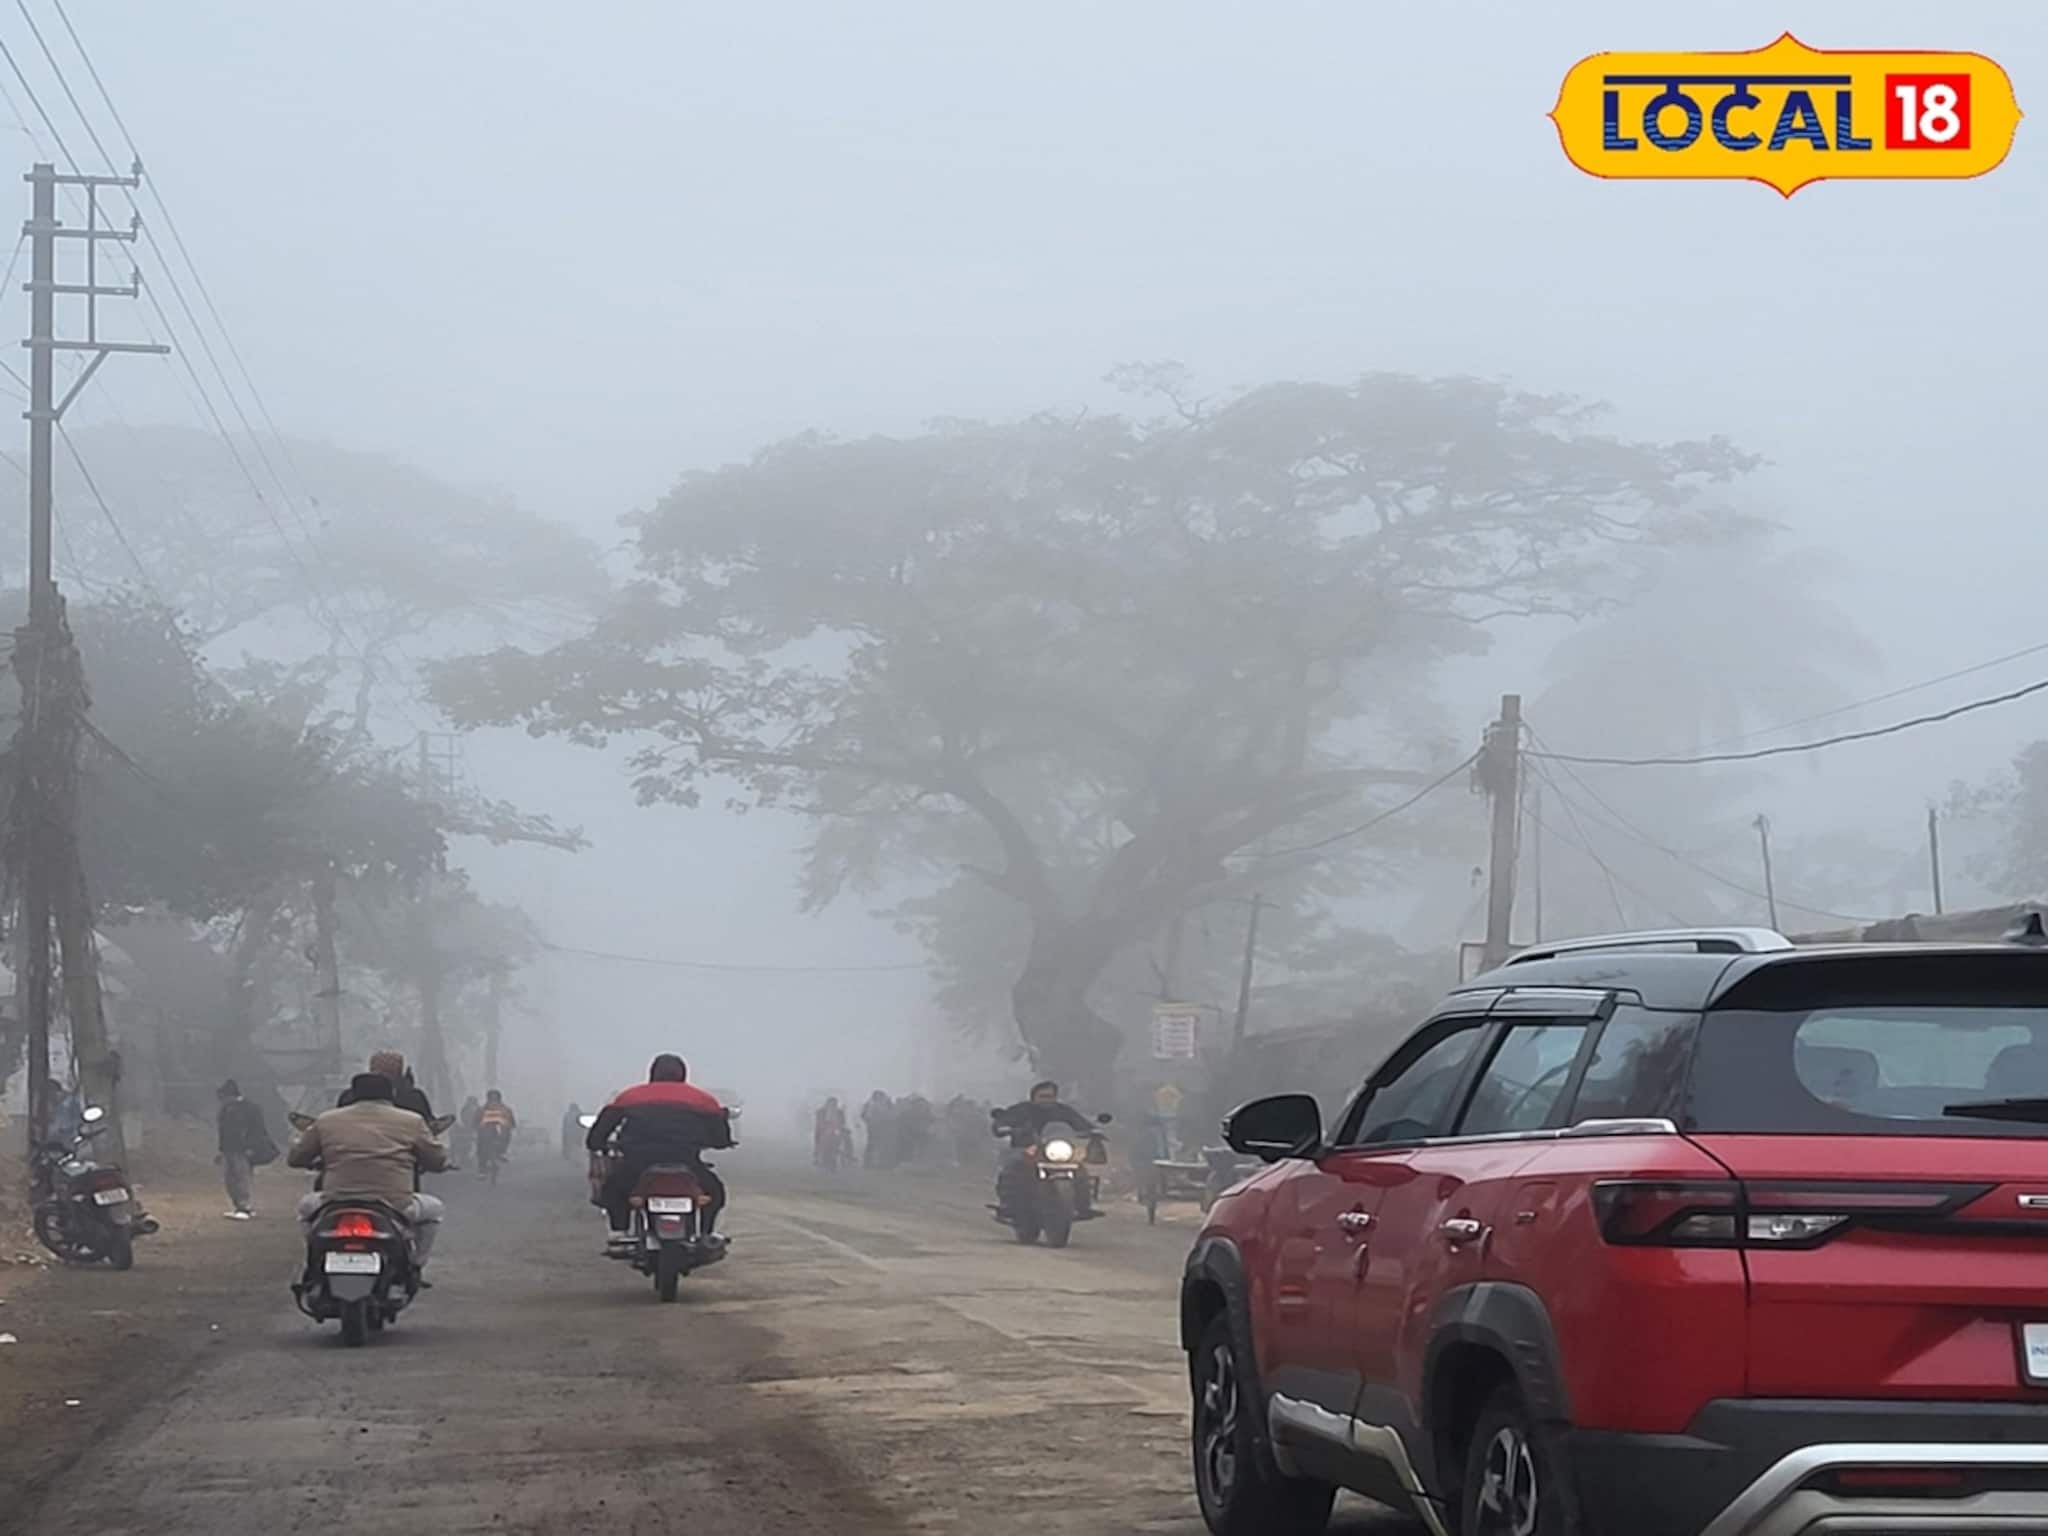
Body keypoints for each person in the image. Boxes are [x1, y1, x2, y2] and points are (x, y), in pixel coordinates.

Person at [289, 1072, 448, 1272]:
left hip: (335, 1201)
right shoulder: (412, 1121)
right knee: (434, 1210)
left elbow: (296, 1158)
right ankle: (416, 1263)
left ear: (353, 1094)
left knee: (305, 1208)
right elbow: (437, 1159)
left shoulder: (326, 1120)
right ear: (390, 1094)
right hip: (395, 1204)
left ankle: (313, 1259)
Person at [585, 1054, 733, 1253]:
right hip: (686, 1163)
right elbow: (721, 1137)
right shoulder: (703, 1100)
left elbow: (598, 1134)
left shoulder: (630, 1097)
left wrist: (598, 1144)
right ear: (683, 1075)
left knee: (614, 1190)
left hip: (637, 1165)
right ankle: (706, 1233)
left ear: (652, 1074)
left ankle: (619, 1233)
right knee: (714, 1192)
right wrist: (720, 1142)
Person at [992, 1080, 1099, 1217]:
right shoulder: (1021, 1110)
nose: (1047, 1100)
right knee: (1013, 1165)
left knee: (1080, 1168)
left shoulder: (1063, 1111)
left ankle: (1084, 1204)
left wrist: (1093, 1130)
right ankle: (1007, 1202)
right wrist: (1004, 1128)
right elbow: (1002, 1122)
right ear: (1033, 1097)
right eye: (1043, 1096)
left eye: (1050, 1097)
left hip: (1056, 1149)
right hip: (1027, 1148)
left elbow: (1080, 1122)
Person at [215, 1079, 274, 1220]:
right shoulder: (226, 1110)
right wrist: (221, 1150)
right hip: (229, 1149)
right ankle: (238, 1206)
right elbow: (223, 1132)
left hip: (244, 1149)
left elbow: (258, 1130)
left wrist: (252, 1147)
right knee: (230, 1179)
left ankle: (244, 1206)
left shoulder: (250, 1108)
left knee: (242, 1178)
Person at [476, 1089, 517, 1173]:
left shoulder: (483, 1109)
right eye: (492, 1099)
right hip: (488, 1135)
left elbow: (511, 1121)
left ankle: (501, 1153)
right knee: (481, 1147)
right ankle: (483, 1167)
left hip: (496, 1135)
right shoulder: (483, 1109)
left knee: (505, 1135)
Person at [860, 1090, 896, 1170]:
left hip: (883, 1127)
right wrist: (869, 1121)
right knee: (872, 1145)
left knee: (882, 1145)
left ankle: (881, 1162)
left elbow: (892, 1112)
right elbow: (863, 1115)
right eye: (878, 1096)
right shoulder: (869, 1104)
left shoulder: (886, 1103)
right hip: (873, 1127)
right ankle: (868, 1162)